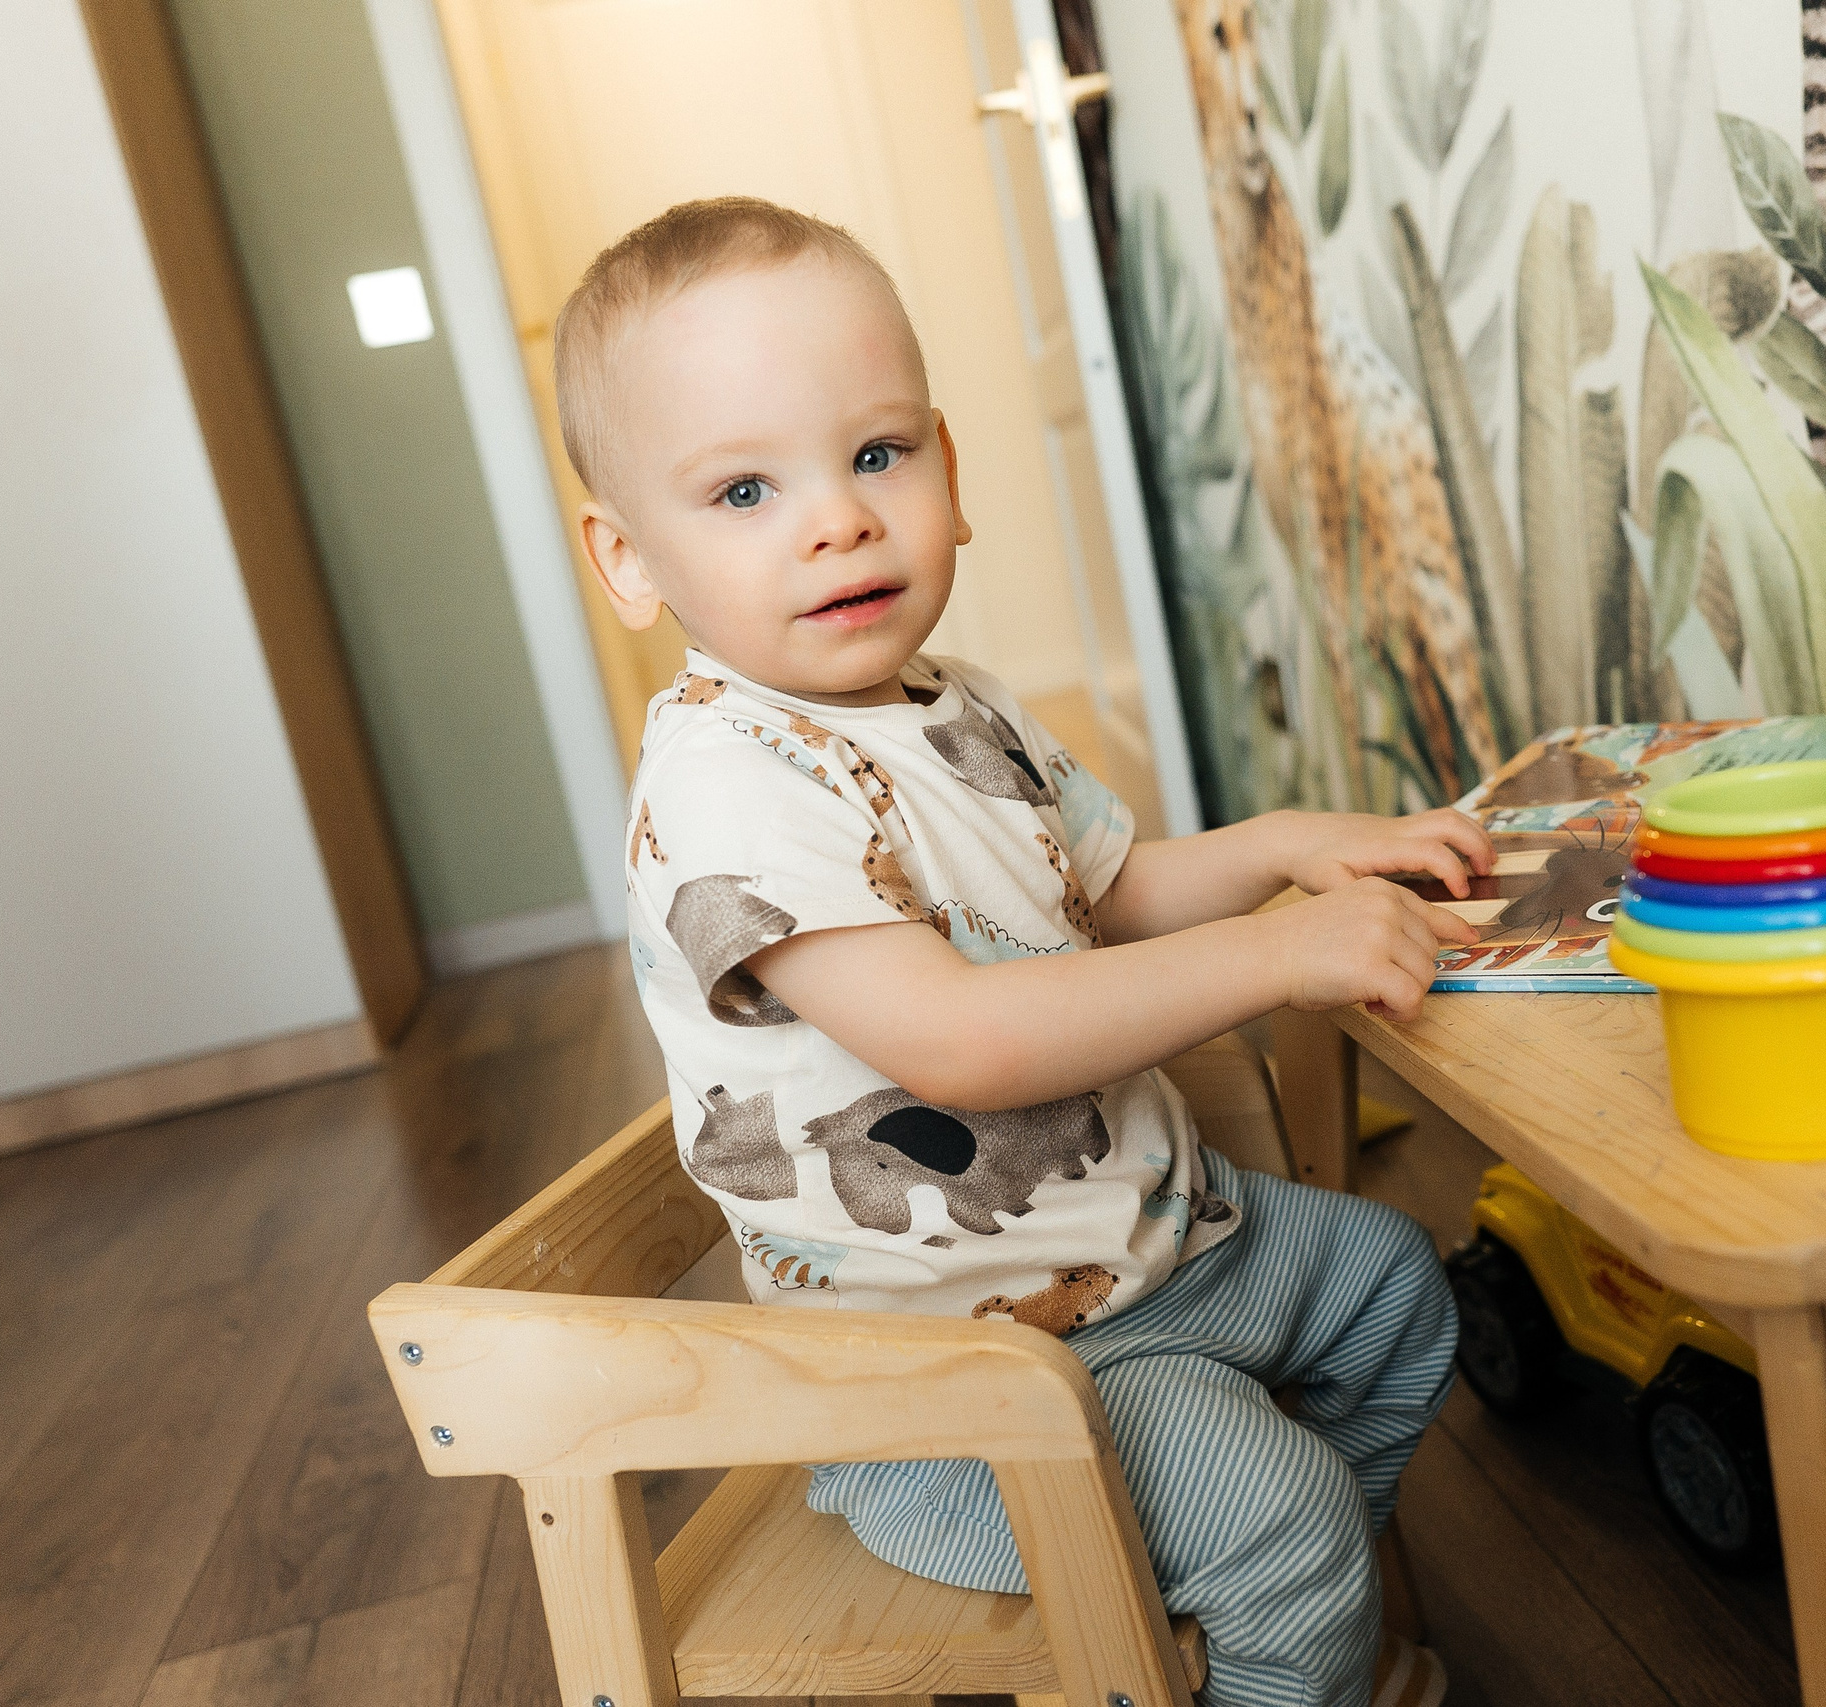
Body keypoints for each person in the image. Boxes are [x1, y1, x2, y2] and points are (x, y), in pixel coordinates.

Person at [556, 195, 1484, 1707]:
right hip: (963, 1384)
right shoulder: (727, 785)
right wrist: (1276, 958)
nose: (838, 518)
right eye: (742, 491)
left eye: (876, 455)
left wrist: (1282, 851)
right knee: (1287, 1523)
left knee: (1393, 1287)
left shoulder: (959, 704)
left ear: (949, 471)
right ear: (629, 559)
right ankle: (1286, 1609)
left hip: (1161, 1244)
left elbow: (1105, 893)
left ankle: (1269, 1642)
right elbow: (963, 1041)